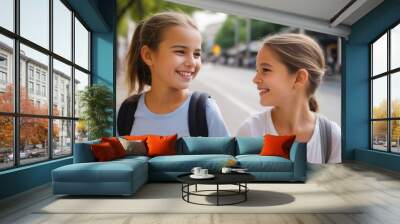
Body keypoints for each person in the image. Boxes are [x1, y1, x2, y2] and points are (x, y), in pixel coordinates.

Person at [117, 12, 229, 138]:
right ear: (148, 55)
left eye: (196, 54)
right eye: (180, 52)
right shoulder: (126, 113)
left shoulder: (206, 110)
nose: (192, 62)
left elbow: (227, 158)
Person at [236, 33, 341, 164]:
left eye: (265, 69)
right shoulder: (251, 130)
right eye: (257, 70)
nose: (255, 79)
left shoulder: (331, 136)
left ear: (299, 78)